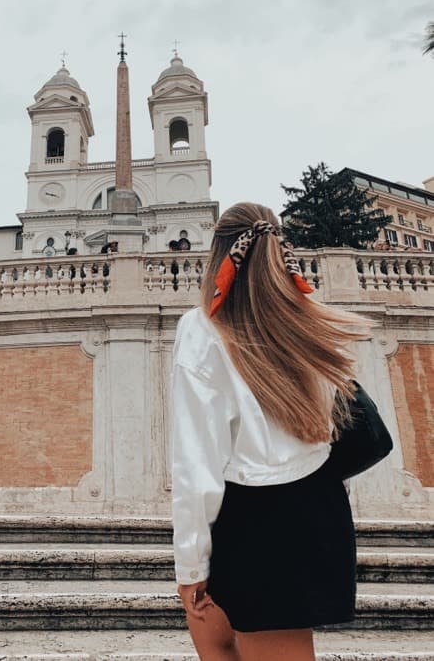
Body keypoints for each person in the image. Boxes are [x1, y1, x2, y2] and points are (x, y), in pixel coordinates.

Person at [172, 202, 367, 661]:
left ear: (218, 253)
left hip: (252, 516)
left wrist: (190, 562)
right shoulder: (310, 316)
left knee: (217, 645)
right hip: (318, 506)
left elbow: (196, 464)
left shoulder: (204, 329)